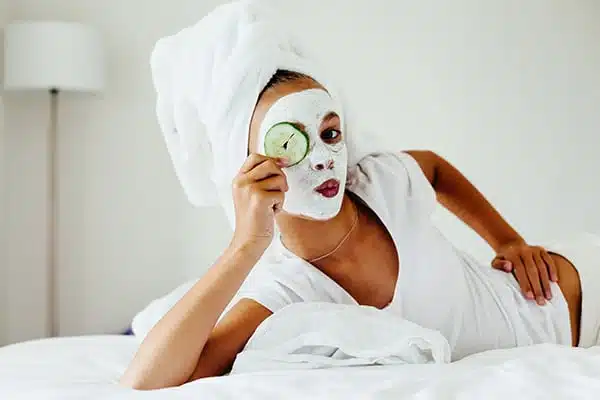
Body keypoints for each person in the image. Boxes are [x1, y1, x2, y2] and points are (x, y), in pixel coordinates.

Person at [121, 1, 598, 391]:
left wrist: (508, 241)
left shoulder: (379, 184)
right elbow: (145, 381)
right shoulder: (287, 286)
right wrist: (244, 246)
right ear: (247, 167)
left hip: (577, 286)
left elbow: (431, 166)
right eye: (291, 143)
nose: (325, 160)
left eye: (331, 134)